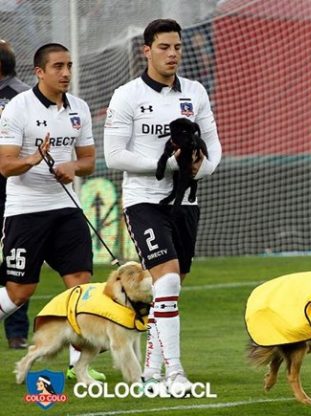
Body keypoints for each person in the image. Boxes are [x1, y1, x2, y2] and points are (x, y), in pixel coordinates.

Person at [103, 19, 221, 394]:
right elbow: (114, 156)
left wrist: (201, 168)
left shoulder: (197, 92)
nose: (172, 54)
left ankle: (151, 371)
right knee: (167, 279)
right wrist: (171, 165)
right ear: (147, 50)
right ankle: (176, 373)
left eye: (177, 47)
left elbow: (214, 146)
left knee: (170, 289)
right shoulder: (127, 95)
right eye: (164, 47)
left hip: (186, 202)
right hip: (143, 202)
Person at [0, 43, 104, 381]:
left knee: (80, 287)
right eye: (58, 66)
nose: (66, 73)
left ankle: (79, 367)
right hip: (26, 211)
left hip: (67, 208)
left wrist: (72, 165)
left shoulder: (80, 109)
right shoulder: (18, 108)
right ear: (40, 72)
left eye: (69, 65)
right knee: (20, 291)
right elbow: (5, 166)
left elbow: (89, 160)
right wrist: (30, 160)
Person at [0, 39, 31, 349]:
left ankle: (18, 331)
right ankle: (17, 332)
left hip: (14, 189)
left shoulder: (22, 96)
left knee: (17, 259)